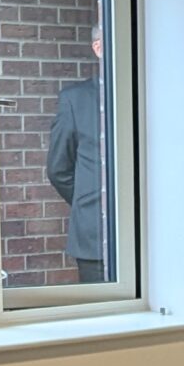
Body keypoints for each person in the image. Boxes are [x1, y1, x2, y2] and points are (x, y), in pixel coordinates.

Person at [43, 36, 108, 283]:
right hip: (94, 236)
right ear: (98, 47)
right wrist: (89, 200)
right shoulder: (76, 99)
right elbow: (58, 169)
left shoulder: (151, 94)